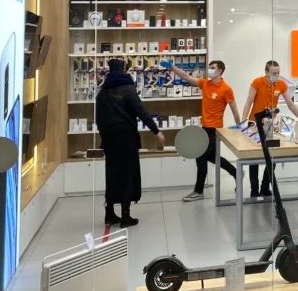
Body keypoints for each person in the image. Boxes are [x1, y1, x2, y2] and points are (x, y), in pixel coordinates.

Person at [95, 58, 165, 227]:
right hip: (126, 138)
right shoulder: (127, 89)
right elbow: (141, 112)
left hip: (109, 140)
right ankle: (126, 215)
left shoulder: (102, 92)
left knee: (111, 175)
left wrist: (104, 137)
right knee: (128, 175)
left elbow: (99, 120)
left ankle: (109, 213)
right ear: (124, 70)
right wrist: (156, 131)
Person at [164, 59, 242, 202]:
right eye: (209, 67)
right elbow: (187, 77)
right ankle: (236, 173)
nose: (210, 70)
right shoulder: (206, 83)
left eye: (213, 68)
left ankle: (198, 191)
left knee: (200, 156)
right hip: (204, 128)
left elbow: (234, 110)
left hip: (215, 130)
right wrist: (172, 67)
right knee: (213, 158)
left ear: (220, 71)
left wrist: (240, 126)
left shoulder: (226, 89)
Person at [240, 60, 298, 198]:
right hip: (255, 123)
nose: (276, 75)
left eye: (278, 73)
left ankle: (265, 187)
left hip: (269, 124)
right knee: (254, 157)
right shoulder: (257, 82)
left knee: (272, 156)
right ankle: (254, 190)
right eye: (273, 73)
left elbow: (290, 104)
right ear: (266, 72)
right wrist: (243, 121)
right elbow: (248, 102)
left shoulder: (281, 85)